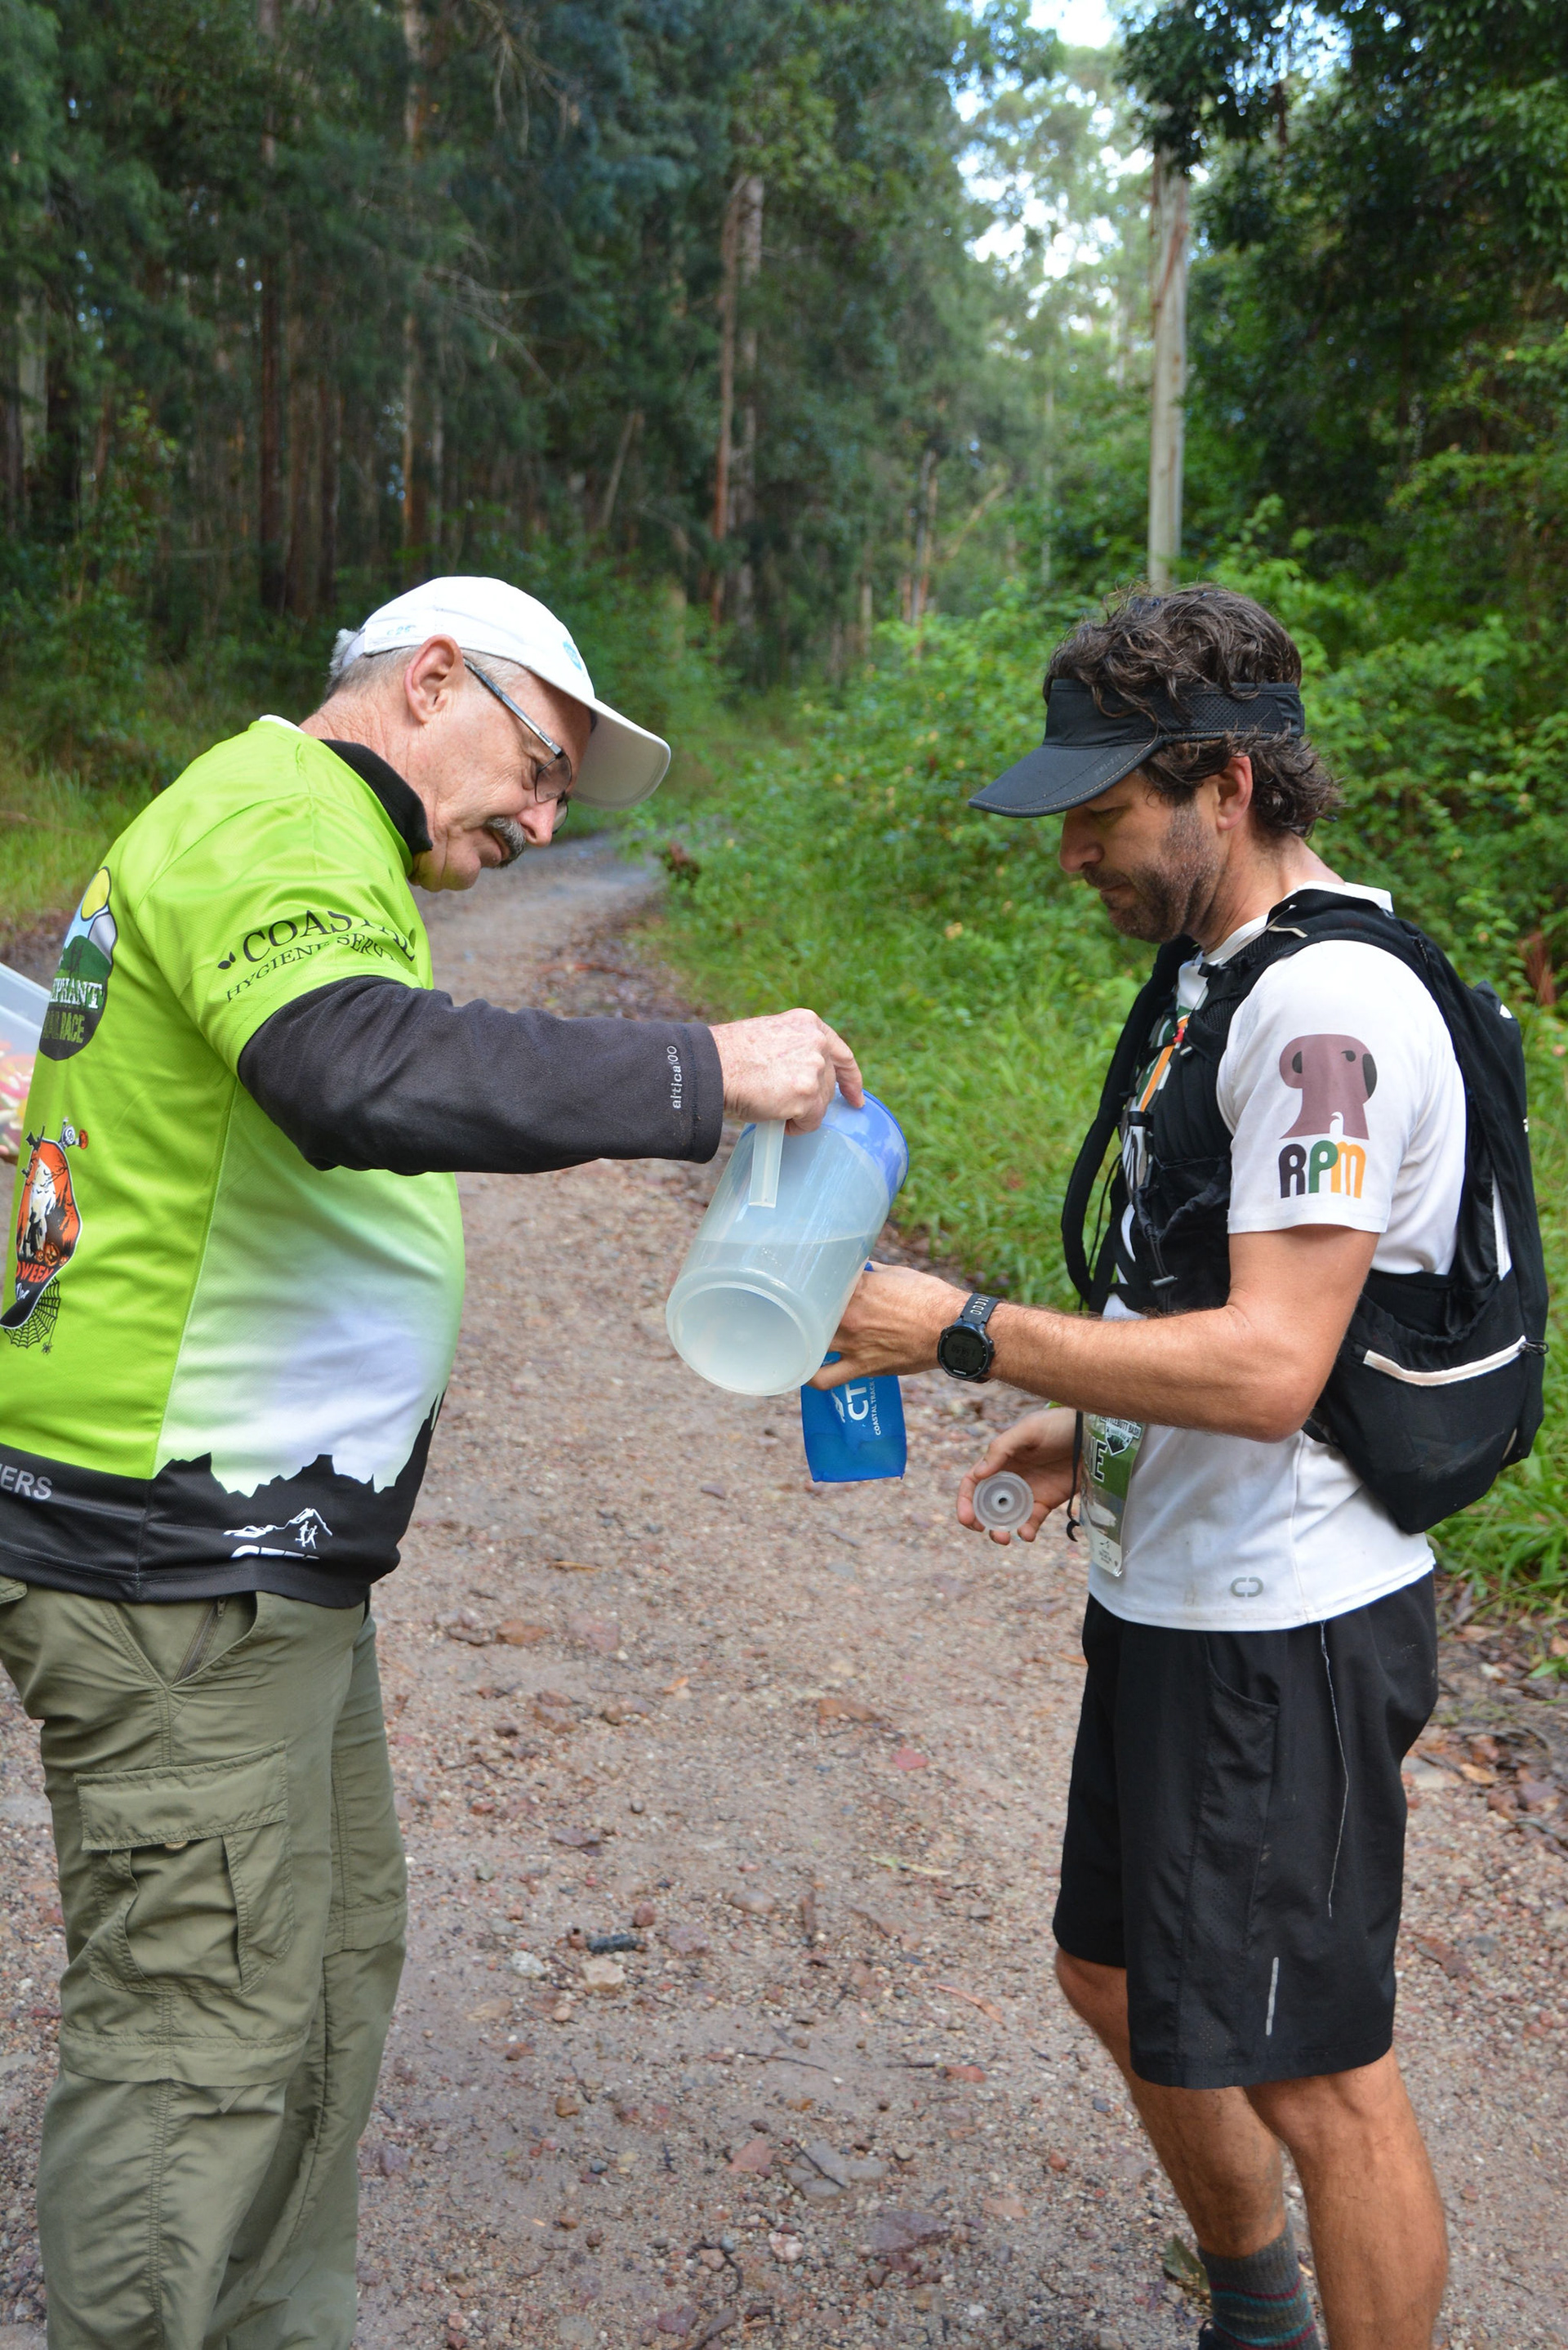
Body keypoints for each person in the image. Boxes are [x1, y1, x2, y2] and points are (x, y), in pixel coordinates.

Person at [0, 575, 860, 2348]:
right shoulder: (272, 807)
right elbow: (356, 1070)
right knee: (197, 2031)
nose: (543, 826)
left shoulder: (320, 843)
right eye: (538, 772)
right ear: (432, 679)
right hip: (175, 1556)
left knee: (324, 1967)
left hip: (262, 1556)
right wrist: (699, 1068)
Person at [819, 586, 1464, 2350]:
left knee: (1321, 2073)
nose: (1073, 853)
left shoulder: (1330, 1014)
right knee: (1113, 1973)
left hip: (1285, 1621)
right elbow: (1201, 1284)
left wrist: (968, 1331)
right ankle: (1258, 2305)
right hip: (1179, 1595)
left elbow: (1269, 1364)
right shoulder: (1219, 977)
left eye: (1104, 814)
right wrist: (1090, 1422)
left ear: (1227, 786)